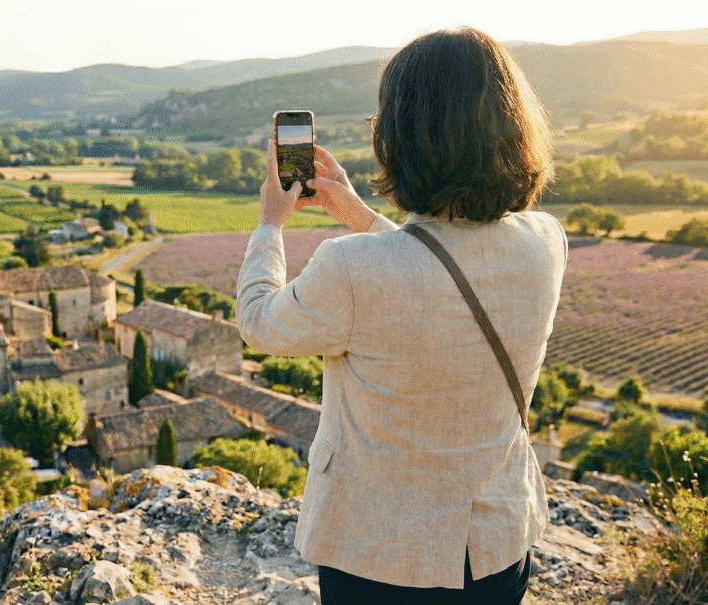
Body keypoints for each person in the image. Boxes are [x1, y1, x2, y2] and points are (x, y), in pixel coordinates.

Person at [236, 27, 566, 605]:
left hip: (380, 556)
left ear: (401, 136)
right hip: (497, 546)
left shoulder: (352, 271)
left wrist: (270, 223)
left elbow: (260, 322)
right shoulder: (545, 243)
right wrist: (360, 216)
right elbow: (438, 281)